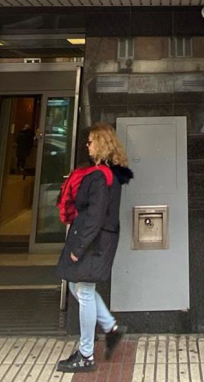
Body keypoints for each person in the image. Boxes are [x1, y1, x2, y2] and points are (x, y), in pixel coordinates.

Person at [56, 122, 133, 374]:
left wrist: (79, 247)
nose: (87, 146)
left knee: (84, 291)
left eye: (90, 142)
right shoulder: (110, 173)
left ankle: (86, 354)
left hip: (94, 241)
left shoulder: (101, 176)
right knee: (78, 288)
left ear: (101, 143)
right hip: (99, 239)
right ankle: (111, 328)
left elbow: (95, 216)